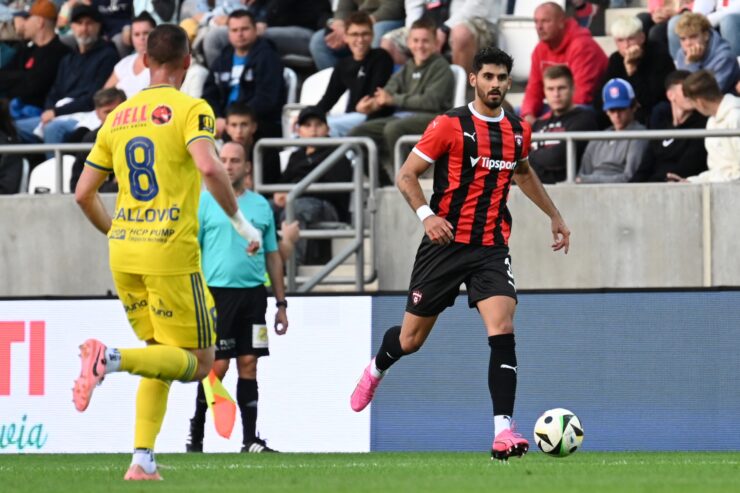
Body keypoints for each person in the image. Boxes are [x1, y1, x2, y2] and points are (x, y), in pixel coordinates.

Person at [349, 47, 571, 461]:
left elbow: (522, 172)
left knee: (502, 327)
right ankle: (377, 366)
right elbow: (406, 175)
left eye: (502, 77)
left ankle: (503, 431)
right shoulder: (450, 125)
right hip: (444, 244)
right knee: (411, 340)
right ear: (473, 79)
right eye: (487, 76)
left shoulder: (518, 130)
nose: (495, 85)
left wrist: (554, 215)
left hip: (490, 245)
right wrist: (426, 215)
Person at [73, 24, 263, 481]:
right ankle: (109, 358)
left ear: (143, 62)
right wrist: (241, 222)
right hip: (171, 253)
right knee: (198, 363)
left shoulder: (116, 116)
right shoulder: (190, 107)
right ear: (187, 61)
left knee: (159, 351)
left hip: (124, 253)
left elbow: (82, 194)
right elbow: (207, 166)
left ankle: (142, 459)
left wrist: (117, 231)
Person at [186, 141, 288, 454]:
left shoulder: (261, 206)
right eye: (224, 160)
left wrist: (281, 304)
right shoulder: (203, 203)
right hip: (216, 296)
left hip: (254, 296)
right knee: (216, 368)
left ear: (247, 167)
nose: (228, 166)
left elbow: (273, 255)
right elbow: (192, 253)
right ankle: (197, 435)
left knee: (249, 364)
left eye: (235, 161)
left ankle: (250, 440)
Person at [348, 17, 454, 184]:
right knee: (357, 133)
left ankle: (408, 179)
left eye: (425, 41)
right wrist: (372, 105)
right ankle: (383, 183)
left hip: (434, 118)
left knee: (393, 128)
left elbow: (431, 102)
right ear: (408, 43)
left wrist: (394, 99)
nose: (420, 45)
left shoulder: (441, 67)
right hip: (404, 118)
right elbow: (387, 92)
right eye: (416, 40)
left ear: (435, 43)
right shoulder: (408, 66)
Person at [13, 4, 119, 147]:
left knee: (53, 129)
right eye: (79, 23)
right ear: (72, 27)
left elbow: (94, 97)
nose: (84, 29)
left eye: (89, 23)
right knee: (12, 128)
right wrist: (50, 110)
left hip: (85, 116)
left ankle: (54, 169)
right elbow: (54, 91)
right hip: (56, 114)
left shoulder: (108, 56)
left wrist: (56, 112)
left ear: (98, 26)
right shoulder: (68, 58)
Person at [202, 9, 286, 182]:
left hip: (260, 124)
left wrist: (234, 120)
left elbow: (267, 99)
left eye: (244, 29)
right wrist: (217, 117)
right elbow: (209, 94)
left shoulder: (268, 57)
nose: (239, 34)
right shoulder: (223, 59)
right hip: (225, 122)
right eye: (234, 30)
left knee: (241, 129)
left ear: (255, 29)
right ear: (229, 33)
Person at [274, 106, 354, 264]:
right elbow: (283, 184)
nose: (313, 130)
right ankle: (262, 267)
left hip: (328, 208)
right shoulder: (296, 156)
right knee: (264, 208)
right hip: (298, 201)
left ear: (328, 129)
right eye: (307, 125)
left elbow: (336, 193)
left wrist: (294, 194)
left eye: (318, 124)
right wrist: (279, 195)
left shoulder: (337, 153)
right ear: (299, 130)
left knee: (296, 208)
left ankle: (291, 267)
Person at [520, 2, 608, 124]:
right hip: (557, 106)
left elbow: (580, 97)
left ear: (561, 22)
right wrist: (528, 114)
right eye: (536, 21)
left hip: (588, 109)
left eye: (545, 21)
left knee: (580, 113)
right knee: (515, 112)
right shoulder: (539, 50)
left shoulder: (582, 46)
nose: (539, 27)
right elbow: (533, 89)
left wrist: (542, 122)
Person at [315, 11, 394, 137]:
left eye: (365, 34)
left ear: (373, 35)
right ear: (345, 37)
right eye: (354, 34)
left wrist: (365, 106)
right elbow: (329, 98)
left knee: (327, 127)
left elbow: (375, 93)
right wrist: (309, 115)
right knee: (305, 128)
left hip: (373, 117)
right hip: (351, 117)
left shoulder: (381, 57)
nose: (360, 40)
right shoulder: (344, 64)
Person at [592, 15, 675, 128]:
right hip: (623, 111)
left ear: (642, 37)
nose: (626, 45)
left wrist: (632, 72)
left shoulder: (658, 54)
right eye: (621, 40)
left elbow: (650, 101)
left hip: (652, 113)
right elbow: (600, 98)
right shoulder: (616, 59)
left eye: (631, 39)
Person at [632, 70, 708, 182]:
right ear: (670, 95)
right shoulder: (661, 127)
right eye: (686, 90)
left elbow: (687, 168)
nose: (692, 94)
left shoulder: (702, 126)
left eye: (694, 89)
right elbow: (644, 168)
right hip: (653, 187)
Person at [0, 0, 71, 120]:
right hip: (12, 107)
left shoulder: (60, 52)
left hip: (36, 113)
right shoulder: (27, 50)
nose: (24, 24)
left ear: (39, 22)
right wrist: (24, 76)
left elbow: (35, 87)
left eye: (27, 19)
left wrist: (18, 78)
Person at [529, 65, 599, 183]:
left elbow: (557, 158)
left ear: (573, 88)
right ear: (544, 91)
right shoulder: (538, 124)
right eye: (550, 89)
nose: (556, 94)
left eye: (561, 88)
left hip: (567, 190)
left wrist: (530, 156)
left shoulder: (584, 119)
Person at [669, 69, 740, 182]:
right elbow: (716, 171)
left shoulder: (736, 118)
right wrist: (691, 181)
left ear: (699, 102)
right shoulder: (711, 122)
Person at [577, 78, 649, 183]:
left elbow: (629, 177)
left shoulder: (640, 135)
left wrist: (589, 180)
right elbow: (582, 174)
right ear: (606, 111)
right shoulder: (597, 139)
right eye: (612, 110)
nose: (617, 115)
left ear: (633, 107)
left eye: (621, 109)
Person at [673, 12, 740, 94]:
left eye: (693, 37)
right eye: (683, 39)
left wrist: (692, 64)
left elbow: (709, 95)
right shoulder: (681, 54)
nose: (688, 43)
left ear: (706, 35)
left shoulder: (724, 57)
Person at [104, 11, 156, 98]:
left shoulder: (162, 64)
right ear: (131, 38)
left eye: (146, 33)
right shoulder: (124, 63)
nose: (141, 38)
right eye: (136, 34)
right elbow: (103, 96)